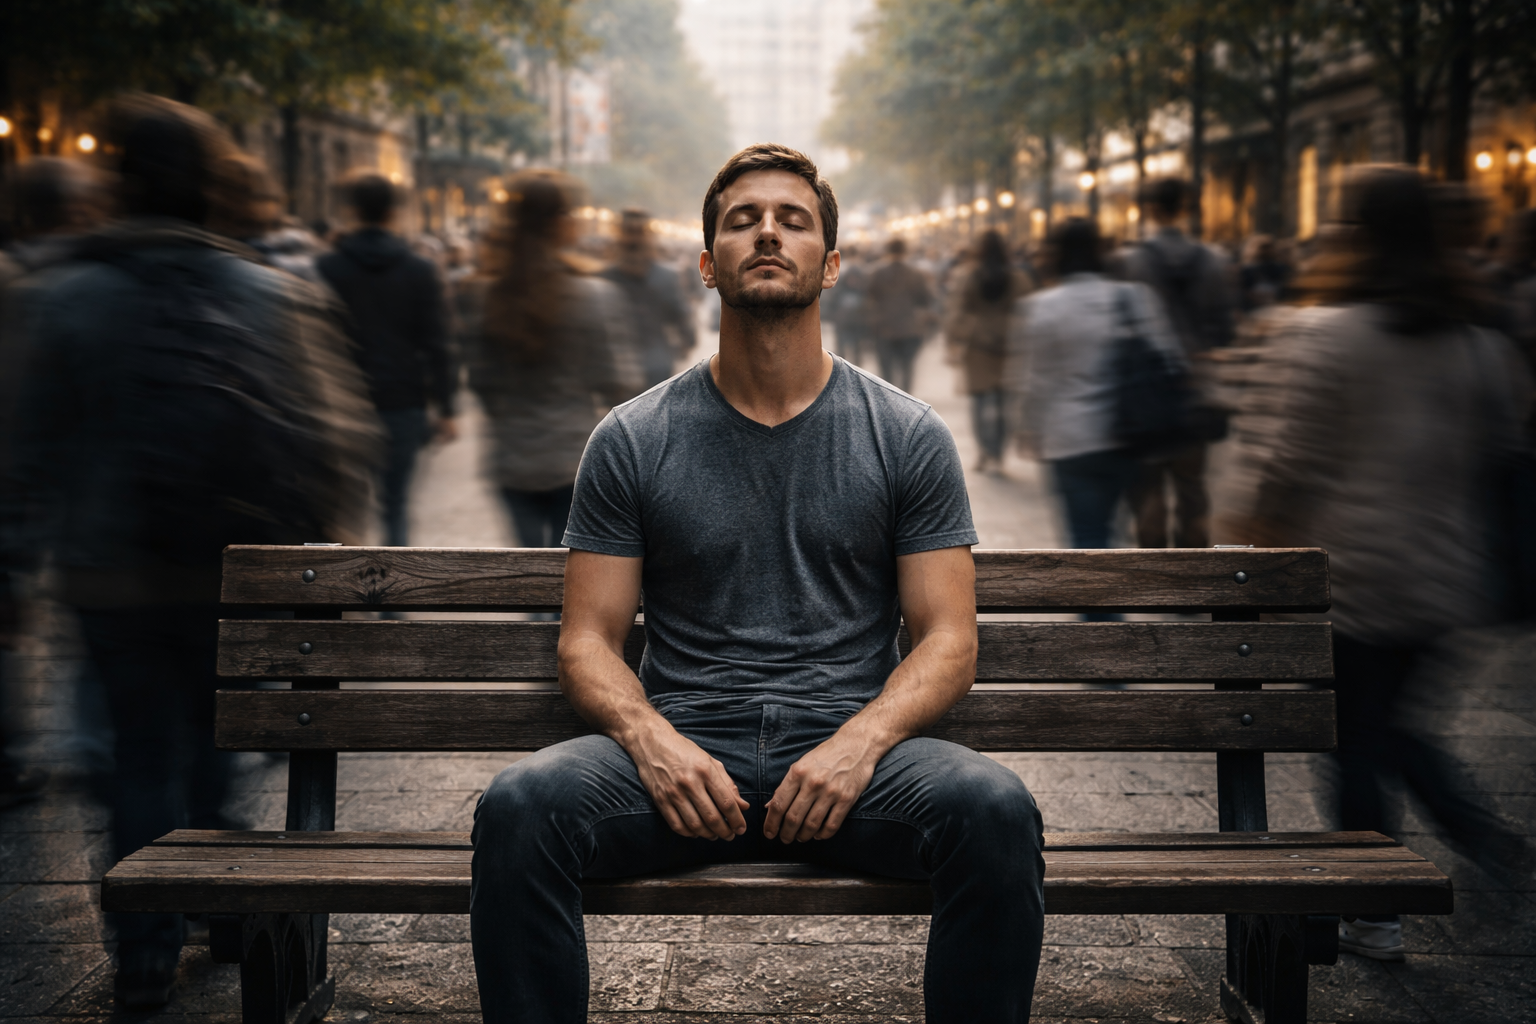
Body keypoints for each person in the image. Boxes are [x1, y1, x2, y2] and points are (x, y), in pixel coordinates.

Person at [469, 144, 1044, 1024]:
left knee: (996, 810)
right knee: (519, 807)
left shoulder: (906, 434)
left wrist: (862, 741)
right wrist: (651, 740)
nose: (767, 233)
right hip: (686, 757)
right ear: (707, 264)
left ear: (832, 261)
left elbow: (950, 639)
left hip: (852, 761)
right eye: (742, 221)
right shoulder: (632, 438)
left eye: (792, 220)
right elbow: (587, 640)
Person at [2, 95, 378, 1007]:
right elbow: (336, 437)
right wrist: (324, 563)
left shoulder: (64, 296)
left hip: (111, 572)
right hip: (234, 573)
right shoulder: (268, 290)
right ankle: (224, 905)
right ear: (211, 183)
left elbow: (25, 449)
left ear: (117, 183)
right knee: (219, 748)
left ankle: (142, 949)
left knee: (136, 754)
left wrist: (14, 561)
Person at [1238, 166, 1534, 961]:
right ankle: (1463, 846)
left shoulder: (1324, 333)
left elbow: (1288, 462)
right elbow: (1505, 450)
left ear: (1353, 233)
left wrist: (1251, 539)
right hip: (1446, 573)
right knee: (1386, 724)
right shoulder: (1479, 340)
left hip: (1353, 574)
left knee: (1359, 736)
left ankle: (1377, 906)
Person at [465, 171, 640, 549]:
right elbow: (617, 382)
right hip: (574, 458)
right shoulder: (594, 296)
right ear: (561, 223)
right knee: (564, 577)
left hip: (512, 457)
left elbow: (479, 380)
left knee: (528, 571)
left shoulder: (485, 297)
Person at [1007, 218, 1182, 551]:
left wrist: (1027, 427)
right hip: (1128, 434)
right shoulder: (1135, 298)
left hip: (1070, 439)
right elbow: (1168, 357)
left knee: (1088, 537)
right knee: (1118, 530)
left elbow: (1034, 379)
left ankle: (1100, 603)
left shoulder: (1043, 307)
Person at [318, 174, 458, 546]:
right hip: (403, 400)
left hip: (343, 401)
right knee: (395, 503)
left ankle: (342, 593)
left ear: (352, 210)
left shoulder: (327, 269)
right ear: (394, 212)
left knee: (345, 505)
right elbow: (438, 343)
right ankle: (389, 596)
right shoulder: (419, 270)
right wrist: (447, 407)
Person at [1118, 177, 1235, 549]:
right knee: (1192, 484)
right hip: (1195, 389)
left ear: (1150, 208)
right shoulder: (1215, 261)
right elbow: (1226, 330)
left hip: (1146, 392)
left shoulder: (1129, 262)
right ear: (1184, 207)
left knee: (1147, 482)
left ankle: (1156, 569)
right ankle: (1193, 565)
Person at [944, 229, 1031, 474]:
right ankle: (998, 454)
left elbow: (956, 310)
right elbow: (1028, 309)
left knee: (979, 401)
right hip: (1008, 346)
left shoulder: (968, 276)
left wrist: (953, 341)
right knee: (1004, 404)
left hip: (977, 346)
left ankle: (984, 450)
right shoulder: (1018, 277)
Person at [601, 209, 693, 389]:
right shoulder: (604, 279)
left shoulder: (666, 277)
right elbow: (682, 318)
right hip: (621, 370)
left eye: (638, 232)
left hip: (651, 369)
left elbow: (681, 317)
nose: (633, 240)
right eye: (630, 231)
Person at [864, 236, 934, 392]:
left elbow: (869, 297)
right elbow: (926, 299)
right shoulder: (916, 274)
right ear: (905, 251)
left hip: (884, 327)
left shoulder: (877, 272)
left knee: (886, 371)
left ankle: (889, 404)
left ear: (888, 251)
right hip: (908, 327)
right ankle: (906, 403)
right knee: (907, 367)